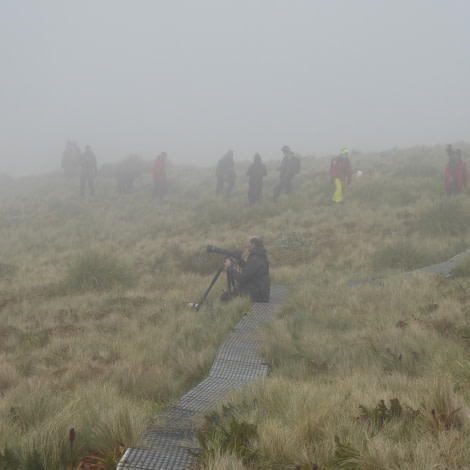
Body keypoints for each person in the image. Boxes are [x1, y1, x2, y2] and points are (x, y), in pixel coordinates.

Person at [223, 236, 270, 303]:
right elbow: (252, 269)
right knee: (235, 291)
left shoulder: (255, 259)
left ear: (253, 245)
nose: (246, 245)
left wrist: (230, 268)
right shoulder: (260, 255)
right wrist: (240, 262)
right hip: (260, 289)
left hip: (258, 295)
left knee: (226, 297)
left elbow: (243, 279)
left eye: (248, 243)